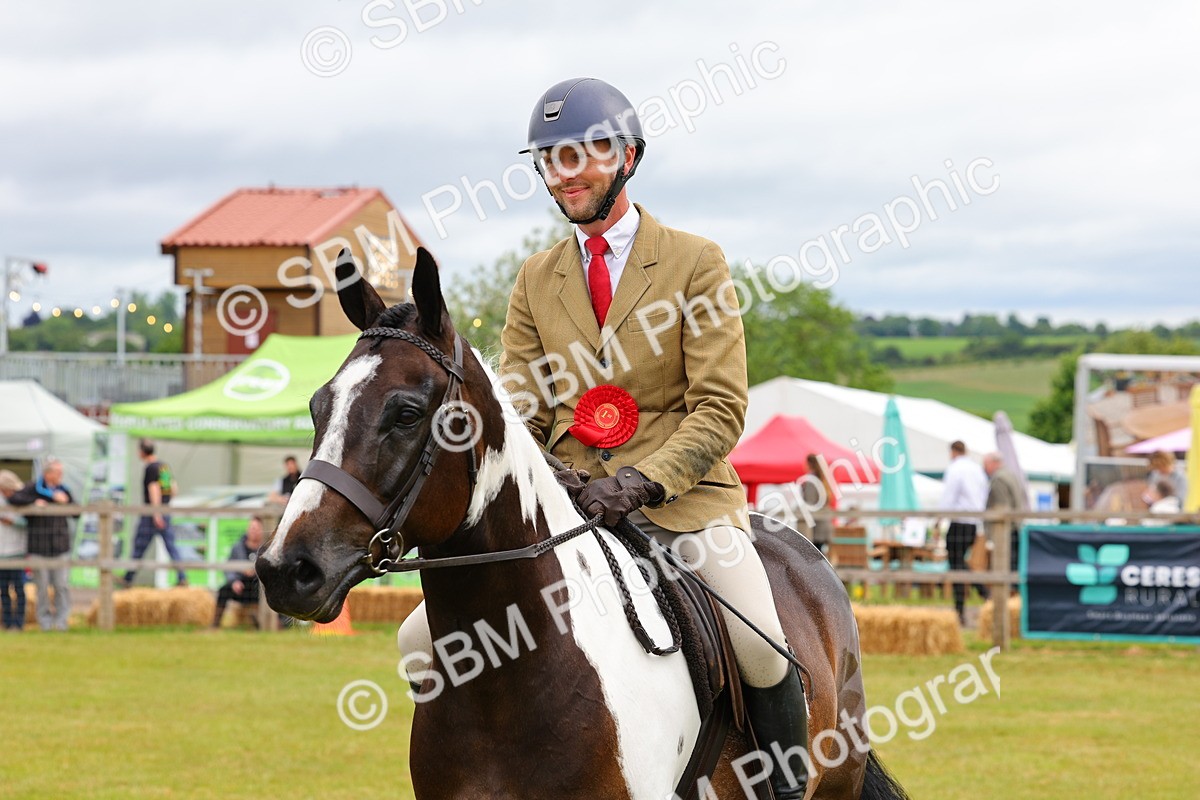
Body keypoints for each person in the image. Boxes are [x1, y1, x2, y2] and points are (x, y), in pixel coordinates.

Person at [479, 77, 806, 796]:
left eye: (584, 154)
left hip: (681, 504)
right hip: (567, 514)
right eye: (552, 158)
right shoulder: (536, 279)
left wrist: (639, 481)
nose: (567, 172)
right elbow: (522, 410)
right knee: (420, 640)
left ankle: (784, 787)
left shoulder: (696, 262)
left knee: (759, 645)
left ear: (627, 156)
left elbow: (720, 408)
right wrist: (556, 481)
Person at [9, 460, 75, 631]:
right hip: (38, 548)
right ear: (48, 474)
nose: (61, 476)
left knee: (61, 586)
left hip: (60, 547)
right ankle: (44, 624)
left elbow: (77, 512)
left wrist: (65, 502)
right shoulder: (33, 487)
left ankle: (62, 623)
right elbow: (15, 498)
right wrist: (34, 503)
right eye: (58, 472)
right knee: (42, 588)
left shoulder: (64, 490)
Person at [121, 439, 187, 588]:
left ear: (142, 452)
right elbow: (173, 489)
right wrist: (165, 505)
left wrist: (156, 513)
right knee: (171, 546)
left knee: (139, 546)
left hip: (152, 514)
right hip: (165, 510)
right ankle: (182, 576)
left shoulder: (150, 468)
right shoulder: (163, 467)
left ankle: (128, 578)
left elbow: (154, 489)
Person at [940, 441, 990, 624]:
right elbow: (984, 494)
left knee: (956, 564)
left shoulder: (955, 469)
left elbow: (949, 495)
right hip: (973, 522)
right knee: (960, 563)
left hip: (959, 521)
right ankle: (977, 596)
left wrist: (940, 516)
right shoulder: (977, 470)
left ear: (953, 451)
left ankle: (971, 601)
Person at [212, 517, 265, 628]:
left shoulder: (266, 548)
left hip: (259, 586)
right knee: (224, 590)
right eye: (251, 528)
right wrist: (233, 581)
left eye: (256, 528)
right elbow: (229, 567)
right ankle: (215, 625)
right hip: (241, 585)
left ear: (262, 530)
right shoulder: (237, 547)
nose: (253, 531)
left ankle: (271, 625)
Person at [983, 452, 1024, 580]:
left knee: (1006, 566)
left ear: (993, 463)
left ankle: (1009, 597)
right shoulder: (1012, 475)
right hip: (1016, 527)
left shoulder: (999, 478)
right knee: (1014, 565)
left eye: (985, 464)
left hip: (1006, 530)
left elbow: (1001, 507)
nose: (984, 468)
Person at [0, 470, 29, 631]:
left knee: (19, 588)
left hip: (17, 550)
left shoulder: (20, 498)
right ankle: (7, 622)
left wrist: (11, 521)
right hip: (1, 553)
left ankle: (19, 623)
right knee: (3, 589)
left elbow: (27, 521)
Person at [800, 453, 836, 551]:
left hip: (816, 526)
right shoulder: (823, 479)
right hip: (824, 523)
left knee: (814, 555)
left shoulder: (812, 480)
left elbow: (810, 502)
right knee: (819, 554)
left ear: (809, 464)